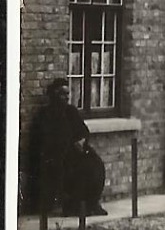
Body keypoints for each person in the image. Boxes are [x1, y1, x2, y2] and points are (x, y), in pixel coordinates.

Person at [25, 78, 107, 217]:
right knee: (75, 170)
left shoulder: (71, 111)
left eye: (68, 94)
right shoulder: (45, 115)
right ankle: (72, 205)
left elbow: (83, 131)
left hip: (75, 152)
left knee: (96, 164)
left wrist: (81, 141)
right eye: (62, 94)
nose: (66, 97)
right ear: (54, 95)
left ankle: (92, 203)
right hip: (55, 156)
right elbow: (42, 141)